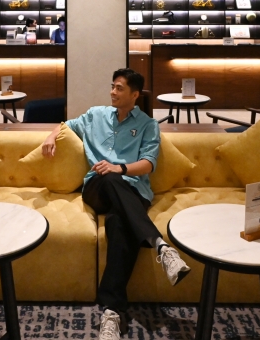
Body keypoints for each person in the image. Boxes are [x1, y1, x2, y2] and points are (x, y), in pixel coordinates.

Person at [41, 68, 189, 340]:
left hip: (132, 191)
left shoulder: (147, 125)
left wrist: (119, 168)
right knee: (107, 177)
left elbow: (148, 164)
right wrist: (51, 136)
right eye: (113, 86)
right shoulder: (96, 115)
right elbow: (66, 125)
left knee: (119, 224)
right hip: (98, 189)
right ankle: (160, 245)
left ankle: (112, 313)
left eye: (119, 88)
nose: (113, 92)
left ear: (135, 94)